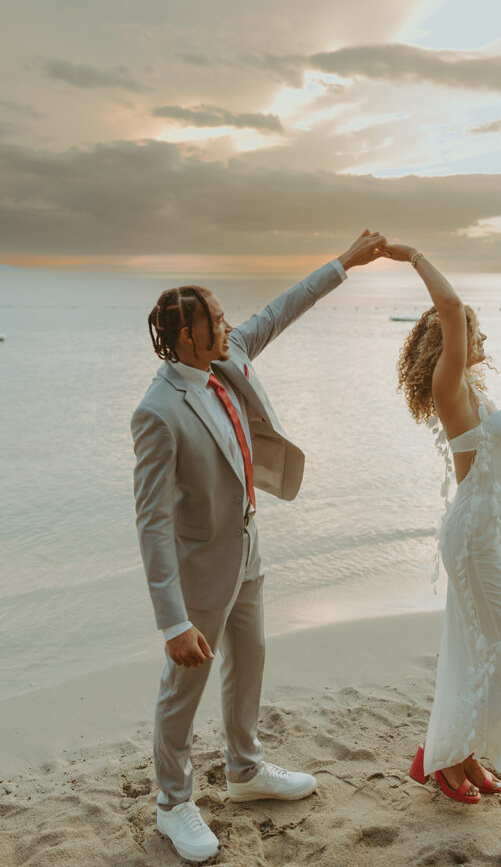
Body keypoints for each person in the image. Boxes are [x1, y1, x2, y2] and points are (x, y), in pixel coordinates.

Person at [131, 230, 385, 863]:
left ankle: (244, 771)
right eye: (215, 320)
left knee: (251, 658)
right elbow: (152, 522)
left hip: (247, 548)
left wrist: (344, 263)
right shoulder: (158, 412)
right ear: (187, 337)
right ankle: (172, 803)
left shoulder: (229, 354)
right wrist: (174, 620)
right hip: (200, 568)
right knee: (183, 686)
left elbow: (279, 309)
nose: (227, 324)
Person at [382, 243, 501, 804]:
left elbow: (499, 467)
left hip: (491, 534)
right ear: (449, 343)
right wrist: (413, 256)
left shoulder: (476, 394)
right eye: (471, 332)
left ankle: (451, 756)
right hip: (471, 541)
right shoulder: (449, 387)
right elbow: (452, 304)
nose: (481, 339)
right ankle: (445, 757)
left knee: (481, 649)